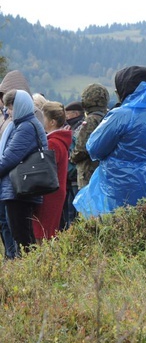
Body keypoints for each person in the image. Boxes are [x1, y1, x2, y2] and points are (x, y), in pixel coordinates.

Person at [73, 66, 146, 218]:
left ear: (125, 89)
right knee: (141, 222)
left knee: (113, 225)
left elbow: (94, 148)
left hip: (116, 183)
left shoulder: (120, 115)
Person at [0, 90, 48, 254]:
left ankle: (29, 270)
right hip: (18, 187)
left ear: (19, 106)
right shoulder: (25, 125)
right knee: (21, 233)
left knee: (22, 236)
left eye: (11, 107)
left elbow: (9, 158)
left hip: (18, 189)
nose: (7, 111)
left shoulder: (26, 128)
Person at [33, 101, 71, 240]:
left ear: (53, 122)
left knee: (43, 231)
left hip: (49, 193)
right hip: (56, 190)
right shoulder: (59, 140)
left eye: (44, 118)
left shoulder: (52, 142)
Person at [70, 83, 110, 190]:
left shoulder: (91, 120)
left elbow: (82, 148)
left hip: (88, 171)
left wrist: (72, 157)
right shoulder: (109, 117)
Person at [60, 101, 85, 230]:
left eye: (67, 114)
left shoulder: (79, 128)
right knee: (69, 212)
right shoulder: (72, 127)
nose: (66, 117)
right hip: (71, 177)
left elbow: (77, 151)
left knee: (73, 213)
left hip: (75, 175)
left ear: (75, 113)